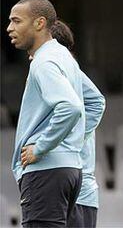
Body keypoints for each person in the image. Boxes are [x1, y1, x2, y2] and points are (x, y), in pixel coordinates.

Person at [7, 0, 85, 227]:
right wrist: (71, 143)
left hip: (46, 170)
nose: (9, 28)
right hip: (70, 169)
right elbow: (95, 101)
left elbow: (71, 107)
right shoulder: (65, 58)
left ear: (39, 23)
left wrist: (42, 147)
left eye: (16, 21)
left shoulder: (43, 62)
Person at [50, 21, 105, 228]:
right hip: (61, 190)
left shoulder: (67, 70)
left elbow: (97, 103)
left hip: (77, 195)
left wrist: (65, 139)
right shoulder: (57, 74)